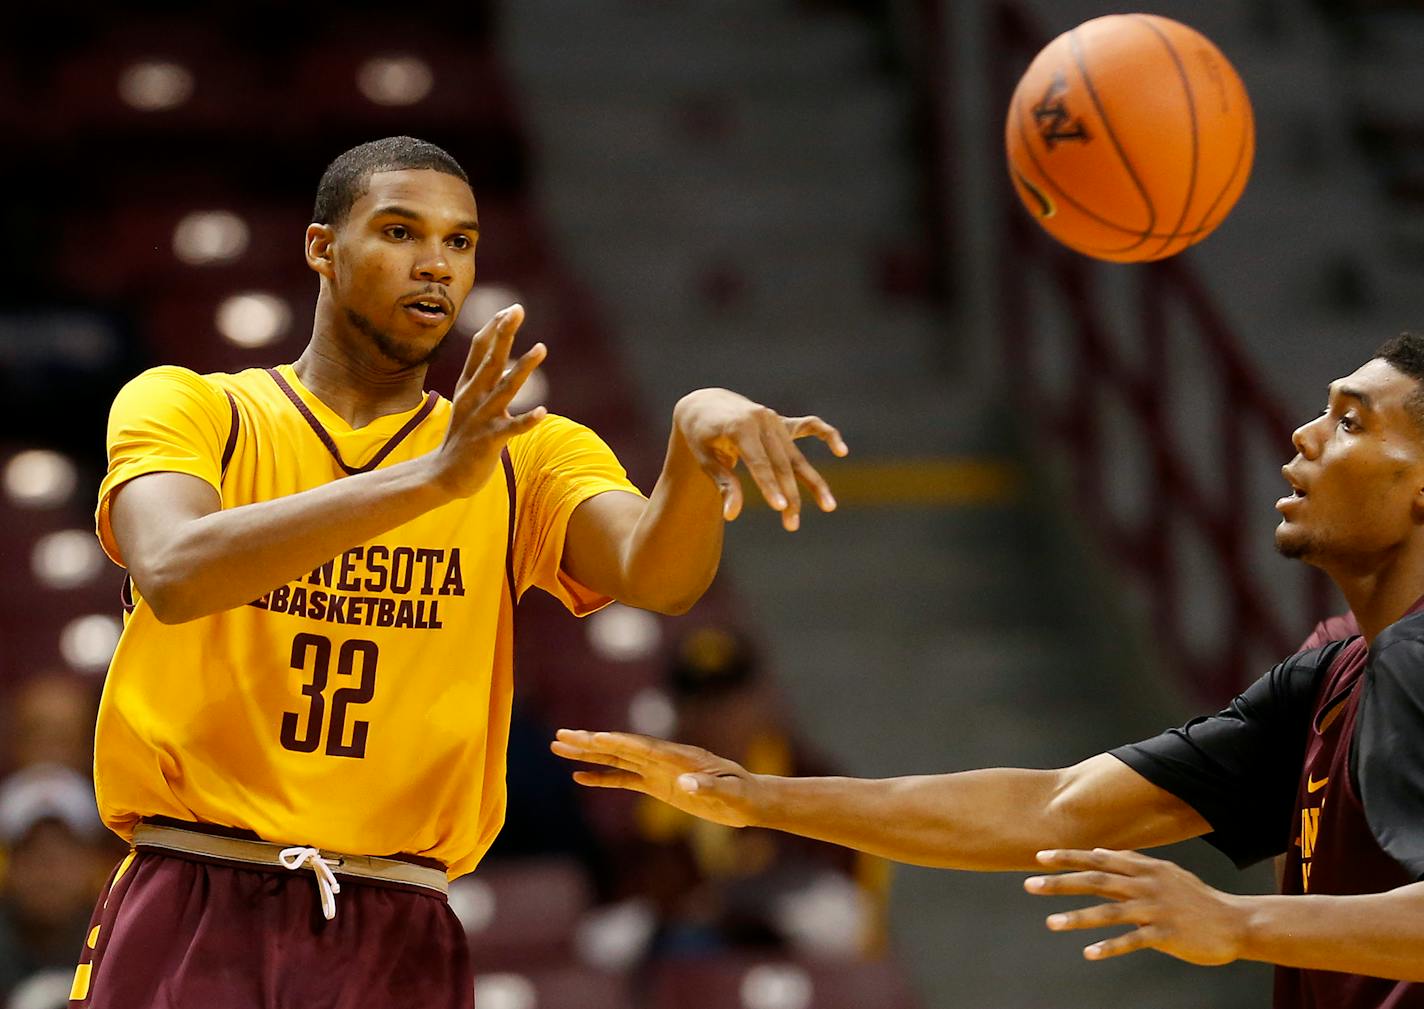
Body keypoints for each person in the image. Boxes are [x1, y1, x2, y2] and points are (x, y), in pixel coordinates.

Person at [79, 135, 846, 1009]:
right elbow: (174, 569)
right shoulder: (192, 405)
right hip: (199, 886)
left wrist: (692, 438)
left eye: (460, 241)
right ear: (321, 248)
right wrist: (427, 481)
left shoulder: (523, 453)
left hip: (399, 911)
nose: (435, 265)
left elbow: (658, 576)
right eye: (401, 232)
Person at [554, 333, 1424, 1008]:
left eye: (1351, 420)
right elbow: (1050, 807)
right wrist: (748, 795)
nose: (1306, 434)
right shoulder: (1336, 668)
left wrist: (1236, 922)